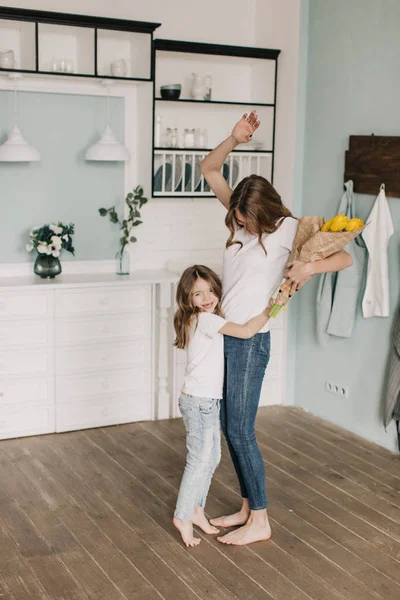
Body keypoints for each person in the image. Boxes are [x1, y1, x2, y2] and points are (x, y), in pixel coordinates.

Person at [200, 110, 353, 545]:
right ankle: (248, 508)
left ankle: (261, 520)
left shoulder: (290, 228)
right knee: (230, 423)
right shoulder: (237, 218)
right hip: (224, 334)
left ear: (264, 212)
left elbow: (346, 256)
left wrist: (307, 264)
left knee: (240, 430)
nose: (240, 224)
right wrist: (233, 138)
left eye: (247, 219)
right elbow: (209, 169)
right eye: (237, 217)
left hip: (251, 341)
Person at [173, 264, 272, 547]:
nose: (206, 298)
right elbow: (246, 331)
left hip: (204, 401)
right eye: (197, 294)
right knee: (199, 460)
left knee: (212, 457)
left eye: (210, 291)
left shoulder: (199, 318)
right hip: (200, 402)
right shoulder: (206, 320)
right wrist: (271, 309)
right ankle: (183, 515)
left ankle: (196, 510)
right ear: (188, 299)